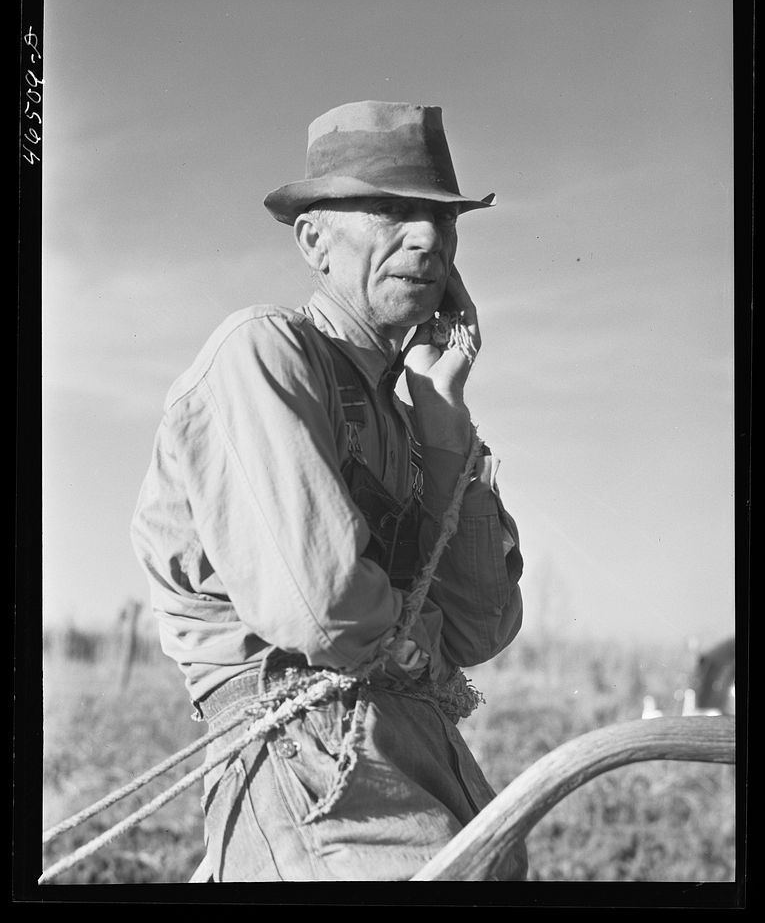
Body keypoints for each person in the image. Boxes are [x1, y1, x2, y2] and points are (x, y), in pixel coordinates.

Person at [131, 100, 527, 882]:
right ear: (313, 238)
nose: (428, 239)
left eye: (443, 220)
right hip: (311, 753)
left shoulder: (417, 416)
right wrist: (413, 650)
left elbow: (481, 625)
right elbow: (325, 606)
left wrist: (443, 417)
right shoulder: (264, 352)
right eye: (391, 210)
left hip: (426, 751)